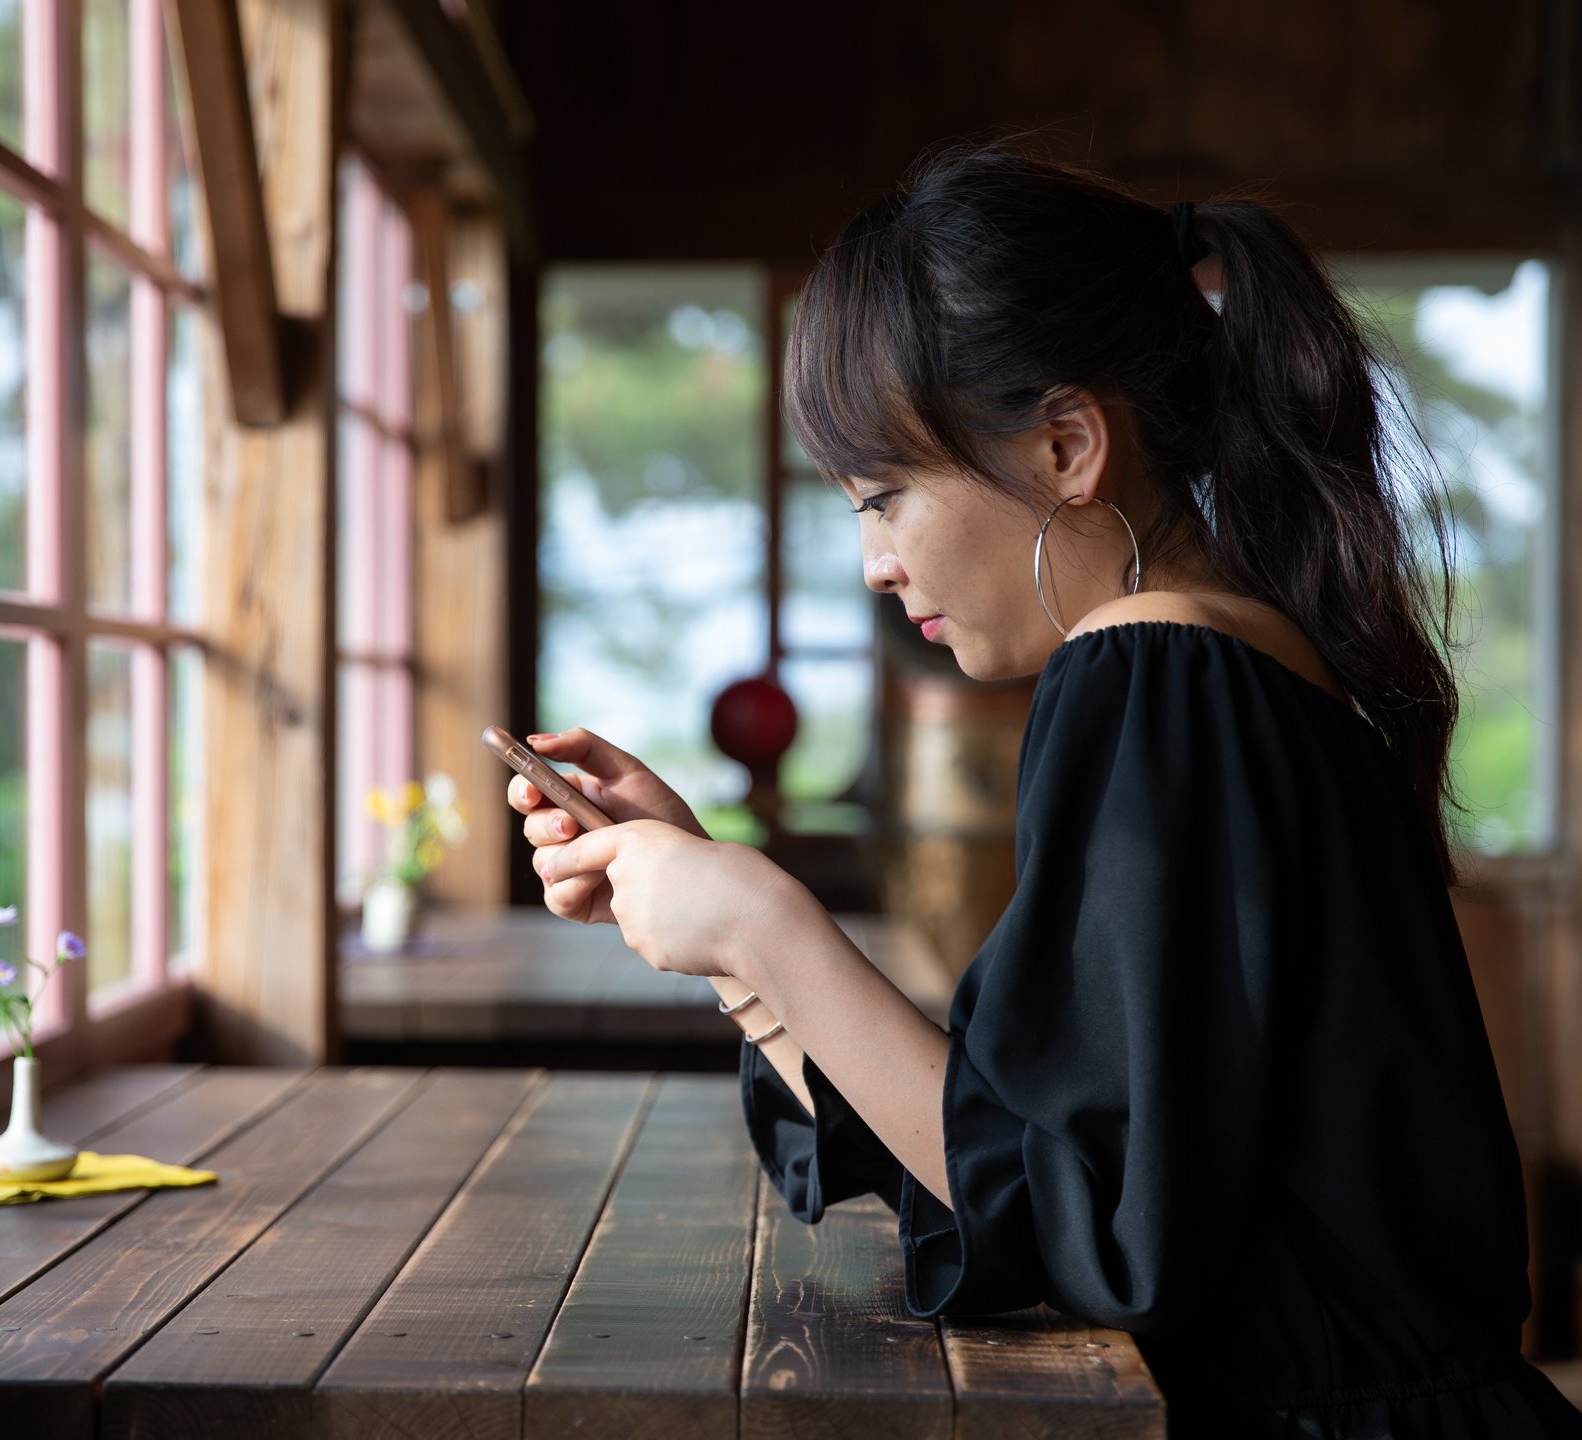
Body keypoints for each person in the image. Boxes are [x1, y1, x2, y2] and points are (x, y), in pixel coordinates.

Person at [507, 138, 1582, 1437]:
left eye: (886, 496)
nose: (875, 566)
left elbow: (1080, 1215)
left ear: (1069, 444)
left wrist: (760, 919)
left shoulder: (1151, 672)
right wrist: (734, 948)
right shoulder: (1231, 667)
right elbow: (1006, 1176)